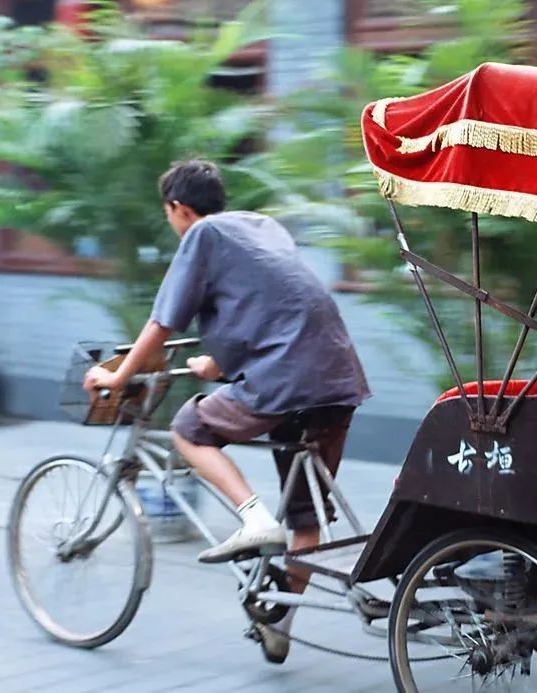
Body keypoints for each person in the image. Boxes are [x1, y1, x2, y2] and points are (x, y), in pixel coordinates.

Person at [83, 160, 372, 659]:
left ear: (178, 208)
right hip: (336, 372)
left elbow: (161, 324)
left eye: (168, 214)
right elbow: (274, 305)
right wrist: (216, 363)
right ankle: (279, 622)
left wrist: (116, 375)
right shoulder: (262, 228)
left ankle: (253, 516)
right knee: (305, 518)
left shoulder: (202, 234)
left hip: (286, 375)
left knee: (190, 427)